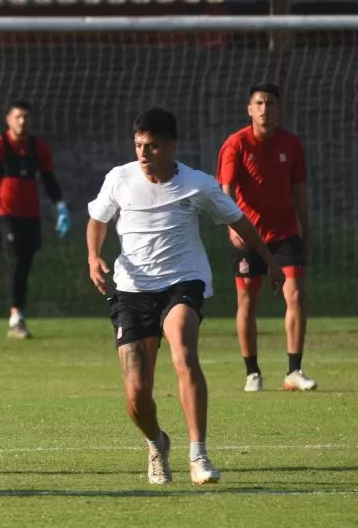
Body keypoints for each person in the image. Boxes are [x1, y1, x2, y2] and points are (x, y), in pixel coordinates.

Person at [86, 108, 284, 486]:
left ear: (171, 147)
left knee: (183, 351)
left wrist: (271, 262)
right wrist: (94, 256)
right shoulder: (120, 179)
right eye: (139, 145)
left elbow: (239, 220)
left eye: (152, 146)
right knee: (136, 394)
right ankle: (157, 443)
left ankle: (199, 454)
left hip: (182, 282)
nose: (143, 153)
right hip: (131, 290)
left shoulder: (198, 184)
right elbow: (98, 219)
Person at [217, 83, 316, 392]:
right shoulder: (236, 145)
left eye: (270, 103)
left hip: (285, 234)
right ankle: (252, 373)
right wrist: (232, 226)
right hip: (249, 236)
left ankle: (294, 371)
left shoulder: (292, 144)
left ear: (279, 109)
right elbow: (226, 192)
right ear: (249, 109)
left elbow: (299, 191)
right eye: (258, 103)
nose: (264, 109)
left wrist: (306, 228)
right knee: (248, 299)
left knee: (296, 295)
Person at [0, 100, 70, 339]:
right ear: (9, 119)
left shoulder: (38, 148)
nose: (22, 121)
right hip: (6, 215)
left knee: (25, 263)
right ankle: (15, 317)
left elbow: (49, 180)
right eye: (18, 117)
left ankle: (19, 314)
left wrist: (61, 208)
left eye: (26, 117)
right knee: (15, 260)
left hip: (31, 216)